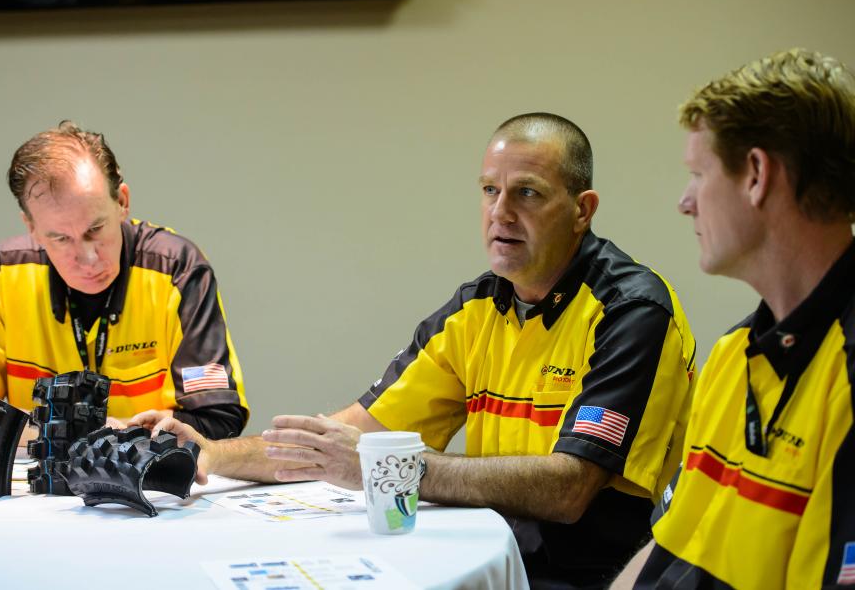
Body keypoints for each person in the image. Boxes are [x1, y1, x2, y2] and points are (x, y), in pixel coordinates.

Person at [134, 112, 697, 589]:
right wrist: (212, 453)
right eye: (489, 190)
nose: (501, 212)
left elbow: (571, 489)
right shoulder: (476, 309)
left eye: (527, 193)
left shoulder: (632, 311)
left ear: (582, 209)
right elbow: (358, 433)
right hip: (501, 562)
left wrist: (392, 469)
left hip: (596, 576)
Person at [624, 49, 855, 588]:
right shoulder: (733, 355)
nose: (685, 202)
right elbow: (667, 548)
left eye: (698, 174)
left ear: (755, 174)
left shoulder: (847, 375)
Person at [0, 121, 248, 455]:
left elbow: (219, 419)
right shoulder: (3, 273)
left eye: (95, 229)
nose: (88, 258)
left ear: (122, 202)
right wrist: (88, 436)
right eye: (60, 238)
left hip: (149, 492)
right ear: (31, 227)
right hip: (38, 500)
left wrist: (25, 433)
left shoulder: (176, 268)